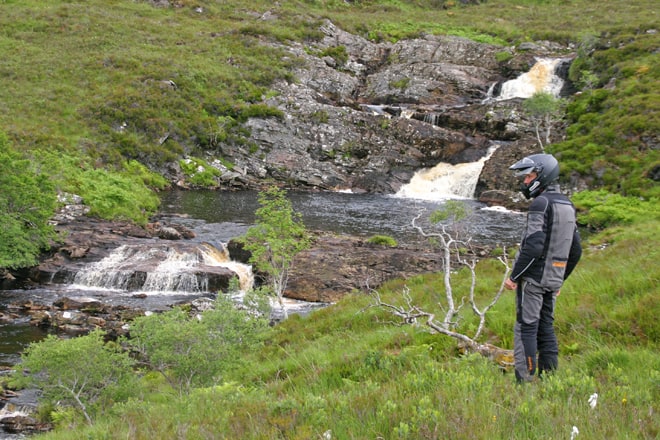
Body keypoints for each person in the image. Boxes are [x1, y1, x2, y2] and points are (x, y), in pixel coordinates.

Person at [504, 153, 582, 383]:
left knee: (526, 328)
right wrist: (560, 279)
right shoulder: (568, 204)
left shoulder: (541, 203)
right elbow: (576, 250)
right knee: (546, 327)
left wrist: (514, 276)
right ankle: (549, 381)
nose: (525, 182)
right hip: (553, 279)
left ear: (542, 175)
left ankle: (525, 381)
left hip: (534, 279)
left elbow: (534, 244)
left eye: (529, 177)